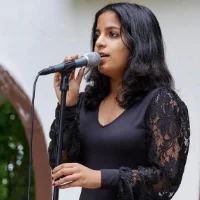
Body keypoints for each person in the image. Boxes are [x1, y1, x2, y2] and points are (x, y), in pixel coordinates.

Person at [48, 2, 190, 200]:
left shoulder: (161, 102)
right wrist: (68, 105)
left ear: (138, 43)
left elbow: (166, 179)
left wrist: (100, 178)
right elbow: (60, 164)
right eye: (97, 34)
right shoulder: (86, 103)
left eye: (112, 34)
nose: (99, 42)